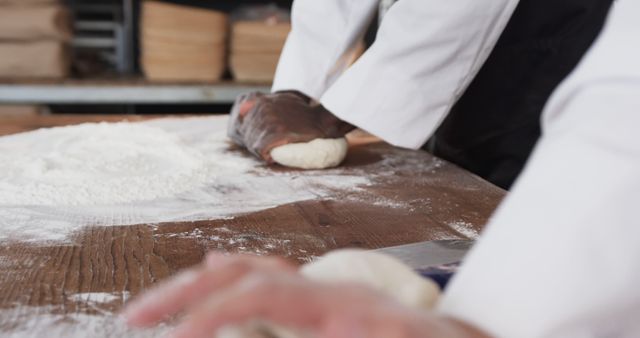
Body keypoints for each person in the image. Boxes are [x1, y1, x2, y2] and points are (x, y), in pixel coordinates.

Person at [124, 0, 640, 337]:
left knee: (504, 195)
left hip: (549, 35)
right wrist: (300, 88)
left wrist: (341, 108)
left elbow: (620, 119)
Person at [228, 0, 612, 189]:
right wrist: (299, 89)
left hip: (546, 41)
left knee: (523, 220)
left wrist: (330, 116)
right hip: (430, 33)